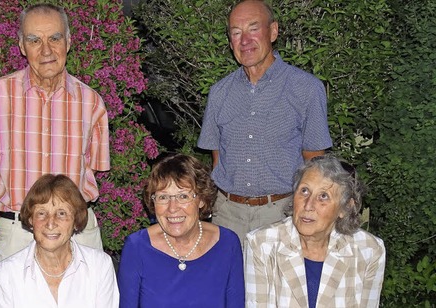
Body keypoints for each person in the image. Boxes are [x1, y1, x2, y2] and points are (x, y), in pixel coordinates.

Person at [0, 3, 110, 263]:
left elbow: (94, 167)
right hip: (18, 232)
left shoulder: (92, 102)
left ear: (68, 41)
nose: (46, 50)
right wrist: (16, 205)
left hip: (78, 232)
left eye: (54, 38)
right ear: (22, 46)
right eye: (34, 40)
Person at [197, 0, 333, 245]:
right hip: (227, 217)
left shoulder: (306, 89)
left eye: (253, 28)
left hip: (282, 214)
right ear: (230, 42)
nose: (244, 40)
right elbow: (218, 159)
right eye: (236, 33)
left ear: (273, 31)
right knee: (232, 284)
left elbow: (315, 164)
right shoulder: (219, 93)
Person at [245, 155, 386, 307]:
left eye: (323, 196)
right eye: (304, 191)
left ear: (345, 207)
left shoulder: (369, 249)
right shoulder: (262, 244)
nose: (308, 205)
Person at [118, 154, 244, 308]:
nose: (172, 208)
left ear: (202, 199)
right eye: (163, 197)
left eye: (183, 196)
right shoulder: (137, 247)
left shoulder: (227, 243)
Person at [0, 174, 118, 307]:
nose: (50, 223)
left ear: (75, 221)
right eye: (42, 213)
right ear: (31, 220)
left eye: (61, 213)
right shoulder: (5, 275)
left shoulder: (99, 267)